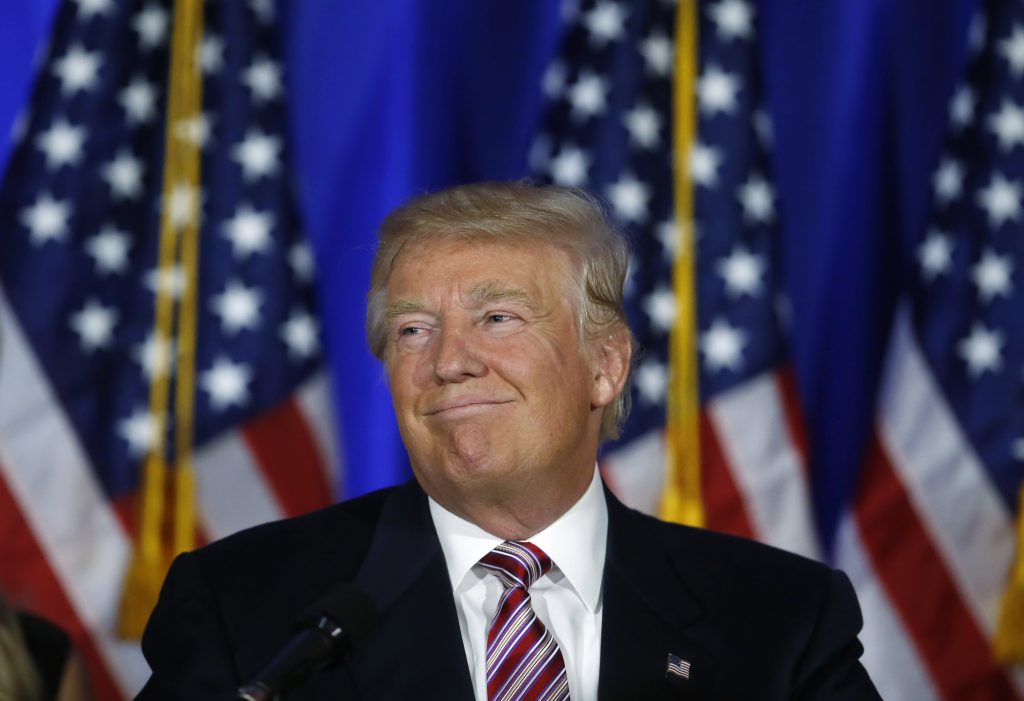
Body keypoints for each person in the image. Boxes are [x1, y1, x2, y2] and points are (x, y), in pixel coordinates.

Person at [138, 182, 881, 700]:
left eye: (497, 318)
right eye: (412, 330)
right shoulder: (245, 607)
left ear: (605, 364)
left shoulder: (779, 616)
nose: (450, 360)